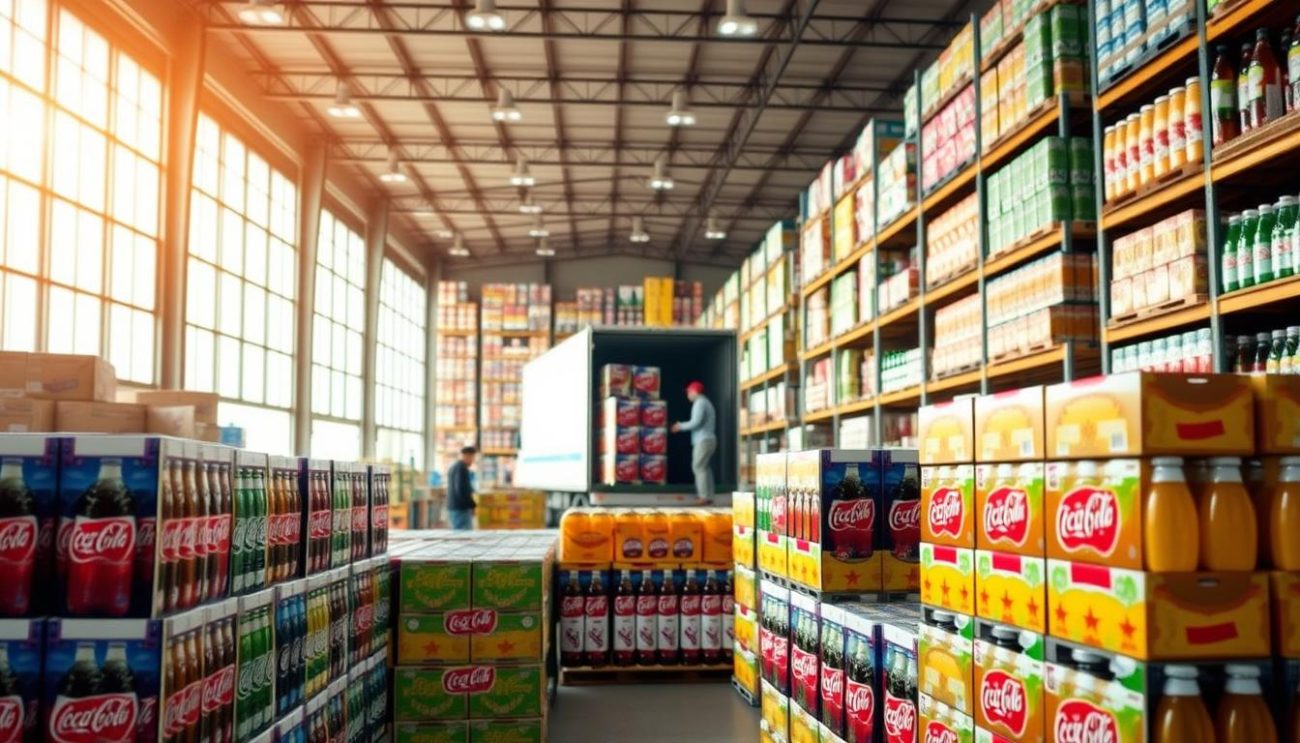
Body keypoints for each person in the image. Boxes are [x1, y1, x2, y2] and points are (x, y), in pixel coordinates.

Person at [671, 381, 717, 503]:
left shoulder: (700, 403)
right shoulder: (706, 402)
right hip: (709, 439)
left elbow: (696, 422)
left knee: (698, 467)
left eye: (689, 392)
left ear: (695, 391)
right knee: (705, 468)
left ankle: (703, 497)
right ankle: (709, 496)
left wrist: (679, 426)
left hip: (703, 440)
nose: (688, 395)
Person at [446, 445, 477, 530]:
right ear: (467, 455)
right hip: (461, 509)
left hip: (456, 507)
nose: (473, 460)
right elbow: (461, 489)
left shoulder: (455, 467)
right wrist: (472, 505)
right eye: (472, 457)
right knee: (463, 538)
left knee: (459, 536)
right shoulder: (461, 468)